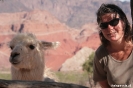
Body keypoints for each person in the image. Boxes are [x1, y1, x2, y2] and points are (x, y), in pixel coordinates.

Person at [93, 3, 133, 88]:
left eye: (114, 22)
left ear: (124, 21)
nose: (110, 28)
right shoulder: (101, 55)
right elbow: (104, 83)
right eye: (104, 25)